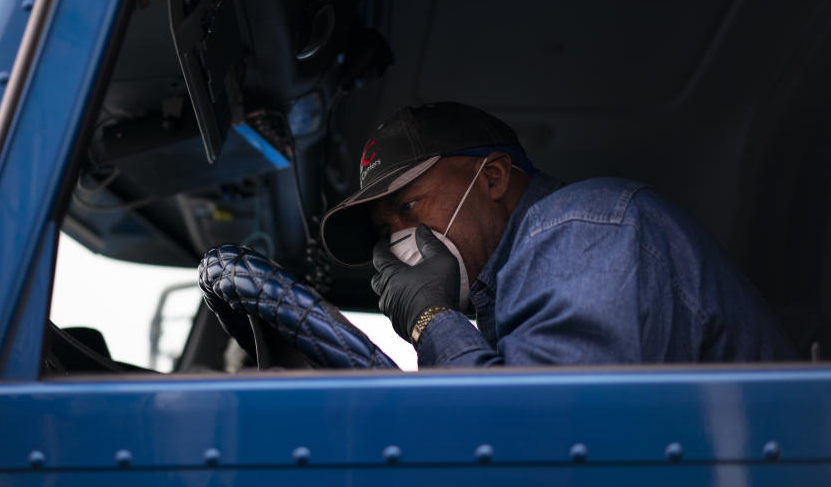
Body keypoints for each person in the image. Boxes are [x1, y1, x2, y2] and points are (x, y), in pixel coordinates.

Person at [319, 102, 797, 367]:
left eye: (407, 207)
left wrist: (431, 320)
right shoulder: (514, 288)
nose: (401, 242)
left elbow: (536, 443)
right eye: (386, 232)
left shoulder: (580, 230)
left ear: (492, 178)